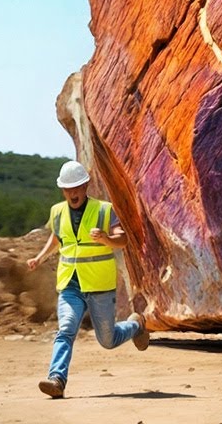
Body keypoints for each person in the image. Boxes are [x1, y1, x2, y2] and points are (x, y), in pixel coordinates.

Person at [26, 160, 150, 398]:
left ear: (86, 186)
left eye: (77, 187)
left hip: (99, 285)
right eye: (68, 188)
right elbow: (56, 238)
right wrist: (39, 258)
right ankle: (57, 379)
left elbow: (122, 240)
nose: (73, 193)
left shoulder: (105, 210)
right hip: (70, 285)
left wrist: (105, 238)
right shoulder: (57, 212)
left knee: (108, 340)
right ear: (63, 190)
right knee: (66, 328)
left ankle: (136, 325)